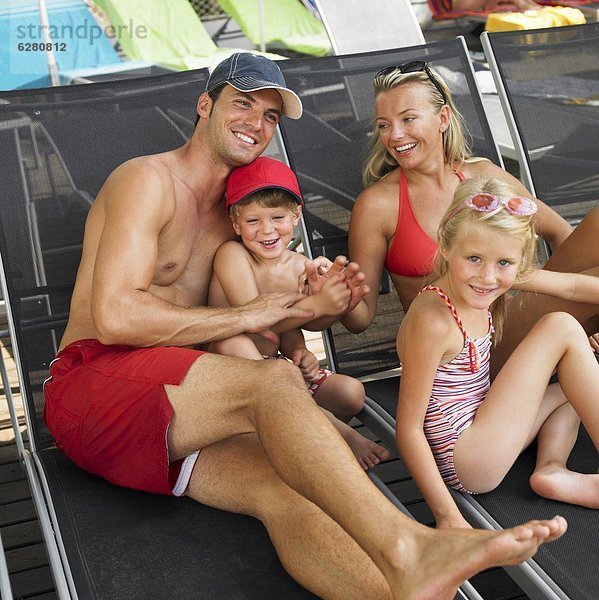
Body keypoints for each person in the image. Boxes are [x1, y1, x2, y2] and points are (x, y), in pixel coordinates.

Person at [43, 52, 566, 599]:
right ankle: (408, 548)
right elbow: (117, 316)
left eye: (270, 116)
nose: (256, 122)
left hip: (176, 406)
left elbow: (273, 311)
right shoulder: (146, 179)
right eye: (242, 104)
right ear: (204, 105)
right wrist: (254, 314)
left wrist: (320, 298)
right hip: (93, 385)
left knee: (290, 491)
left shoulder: (240, 216)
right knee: (273, 383)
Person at [342, 60, 599, 378]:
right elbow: (361, 319)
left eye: (408, 119)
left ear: (443, 118)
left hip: (515, 317)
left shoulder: (484, 176)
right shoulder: (377, 205)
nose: (395, 135)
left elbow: (560, 233)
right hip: (464, 354)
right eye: (383, 124)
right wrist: (342, 298)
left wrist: (569, 313)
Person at [396, 176, 599, 530]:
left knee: (577, 380)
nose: (488, 277)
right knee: (562, 327)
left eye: (505, 264)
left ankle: (552, 470)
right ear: (445, 245)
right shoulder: (433, 322)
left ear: (518, 259)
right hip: (468, 460)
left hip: (485, 427)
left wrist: (503, 270)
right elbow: (409, 429)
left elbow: (571, 286)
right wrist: (448, 518)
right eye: (474, 258)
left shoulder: (486, 277)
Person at [208, 156, 390, 469]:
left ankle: (302, 431)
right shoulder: (232, 255)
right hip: (229, 372)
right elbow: (255, 318)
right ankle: (332, 429)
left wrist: (300, 351)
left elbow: (288, 328)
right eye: (253, 221)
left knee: (351, 393)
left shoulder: (299, 267)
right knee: (231, 340)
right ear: (236, 224)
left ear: (295, 216)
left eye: (277, 217)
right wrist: (315, 305)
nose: (266, 229)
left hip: (282, 371)